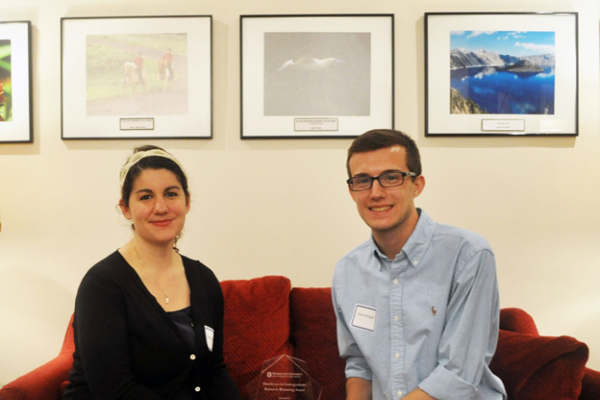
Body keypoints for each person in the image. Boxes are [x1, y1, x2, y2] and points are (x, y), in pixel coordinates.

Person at [332, 129, 506, 400]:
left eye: (391, 178)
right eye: (363, 180)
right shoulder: (347, 271)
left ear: (417, 185)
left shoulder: (469, 255)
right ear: (352, 191)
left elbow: (459, 373)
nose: (376, 193)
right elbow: (359, 363)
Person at [63, 146, 242, 400]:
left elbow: (213, 371)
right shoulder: (101, 285)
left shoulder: (203, 279)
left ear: (187, 202)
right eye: (146, 197)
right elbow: (115, 390)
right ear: (125, 208)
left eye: (171, 194)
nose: (161, 207)